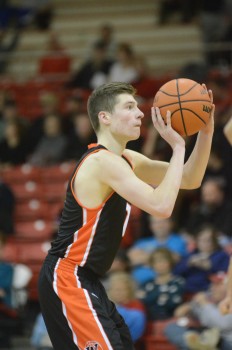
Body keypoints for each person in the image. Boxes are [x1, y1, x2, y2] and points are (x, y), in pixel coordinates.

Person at [38, 81, 214, 350]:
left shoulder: (126, 158)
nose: (141, 113)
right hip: (67, 277)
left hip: (87, 280)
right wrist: (178, 148)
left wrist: (206, 129)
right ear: (105, 117)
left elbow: (190, 178)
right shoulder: (101, 162)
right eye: (130, 107)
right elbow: (162, 206)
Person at [165, 272, 232, 350]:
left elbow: (222, 325)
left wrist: (205, 304)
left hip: (225, 342)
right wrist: (190, 305)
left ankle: (200, 346)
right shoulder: (208, 299)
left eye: (217, 285)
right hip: (204, 337)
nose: (212, 287)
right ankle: (198, 345)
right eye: (212, 284)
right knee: (172, 327)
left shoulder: (228, 302)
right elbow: (178, 313)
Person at [138, 247, 185, 321]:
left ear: (170, 262)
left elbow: (172, 303)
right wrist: (161, 295)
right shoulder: (146, 283)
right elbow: (140, 302)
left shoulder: (178, 282)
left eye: (163, 261)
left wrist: (149, 297)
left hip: (171, 320)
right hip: (148, 321)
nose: (160, 264)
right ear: (152, 264)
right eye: (156, 262)